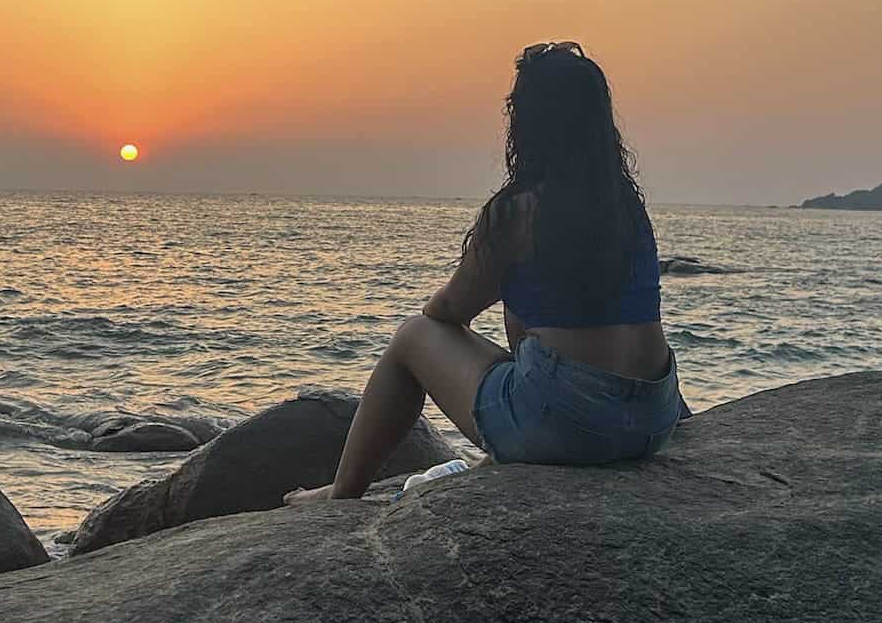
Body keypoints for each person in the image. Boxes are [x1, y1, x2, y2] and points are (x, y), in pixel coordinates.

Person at [283, 41, 683, 504]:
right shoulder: (627, 208)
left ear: (528, 122)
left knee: (413, 335)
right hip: (654, 421)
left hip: (572, 429)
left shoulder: (519, 211)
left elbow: (449, 308)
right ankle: (507, 441)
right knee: (537, 326)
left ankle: (341, 493)